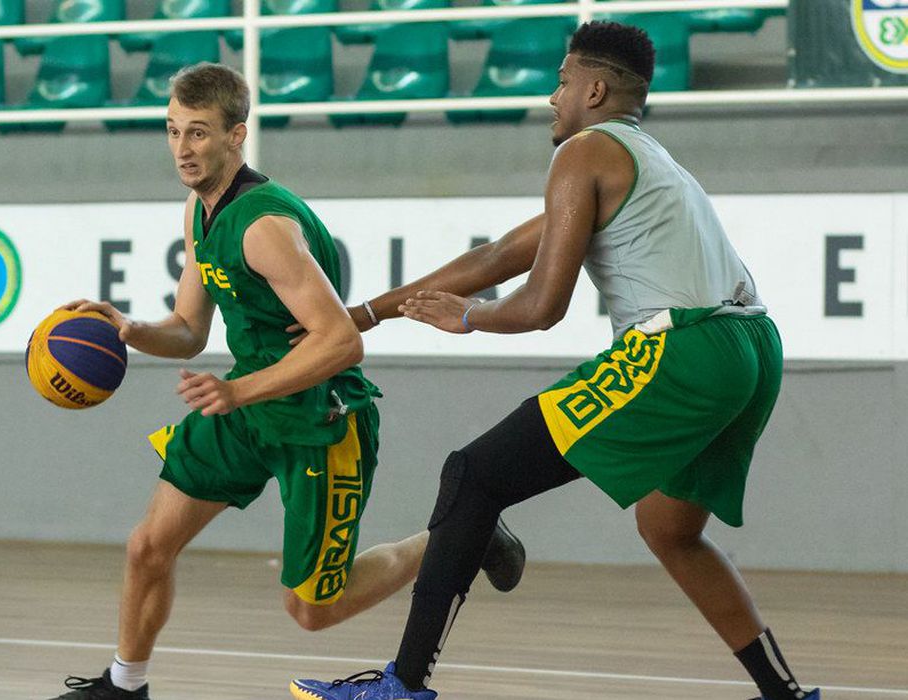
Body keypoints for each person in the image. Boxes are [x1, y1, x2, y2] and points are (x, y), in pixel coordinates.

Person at [289, 21, 819, 700]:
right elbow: (497, 257)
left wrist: (470, 318)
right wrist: (367, 313)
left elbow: (542, 303)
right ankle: (786, 694)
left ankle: (403, 686)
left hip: (682, 348)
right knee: (670, 529)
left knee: (474, 475)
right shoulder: (643, 157)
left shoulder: (583, 154)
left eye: (562, 81)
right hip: (753, 347)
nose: (552, 96)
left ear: (594, 88)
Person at [45, 63, 525, 700]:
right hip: (247, 405)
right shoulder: (199, 212)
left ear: (236, 135)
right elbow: (189, 328)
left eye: (197, 134)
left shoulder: (266, 227)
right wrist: (129, 328)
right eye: (172, 131)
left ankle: (464, 535)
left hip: (318, 417)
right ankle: (124, 685)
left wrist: (237, 391)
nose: (182, 149)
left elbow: (341, 341)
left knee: (311, 610)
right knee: (148, 546)